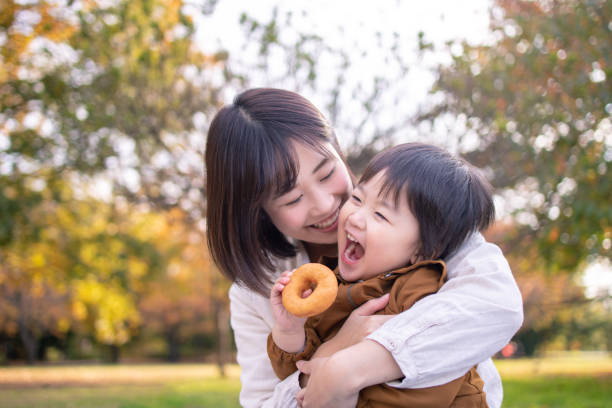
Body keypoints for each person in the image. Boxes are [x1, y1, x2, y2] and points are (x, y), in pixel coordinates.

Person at [205, 88, 523, 408]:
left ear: (338, 151)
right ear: (256, 209)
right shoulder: (259, 291)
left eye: (327, 173)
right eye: (292, 199)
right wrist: (334, 350)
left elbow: (496, 306)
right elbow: (262, 402)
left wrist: (355, 365)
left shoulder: (420, 212)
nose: (325, 205)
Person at [267, 143, 495, 407]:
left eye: (380, 215)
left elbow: (424, 388)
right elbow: (297, 374)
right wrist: (289, 329)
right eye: (357, 199)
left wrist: (341, 392)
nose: (355, 217)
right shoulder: (333, 284)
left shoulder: (418, 294)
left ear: (422, 250)